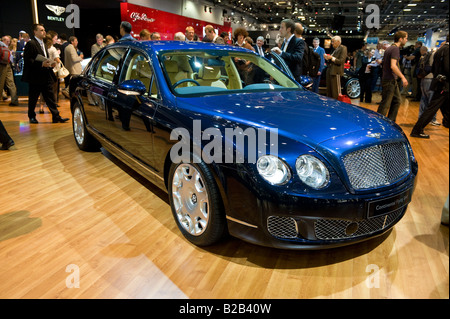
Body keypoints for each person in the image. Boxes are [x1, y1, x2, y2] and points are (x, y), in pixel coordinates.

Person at [21, 23, 69, 124]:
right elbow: (28, 60)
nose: (44, 32)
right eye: (41, 30)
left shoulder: (43, 44)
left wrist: (50, 63)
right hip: (35, 77)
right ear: (35, 31)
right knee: (33, 98)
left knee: (50, 97)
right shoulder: (31, 43)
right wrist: (42, 64)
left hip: (45, 75)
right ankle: (32, 116)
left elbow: (44, 58)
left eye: (44, 30)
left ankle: (56, 116)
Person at [410, 35, 449, 138]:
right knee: (431, 108)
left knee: (445, 108)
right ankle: (417, 130)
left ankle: (447, 123)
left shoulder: (440, 50)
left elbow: (434, 68)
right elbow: (447, 68)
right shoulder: (447, 50)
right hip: (444, 85)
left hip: (439, 83)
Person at [376, 31, 409, 122]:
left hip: (390, 79)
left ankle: (390, 122)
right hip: (389, 80)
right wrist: (403, 77)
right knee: (385, 104)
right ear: (400, 39)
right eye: (406, 38)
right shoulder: (395, 49)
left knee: (397, 101)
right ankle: (379, 123)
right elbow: (393, 66)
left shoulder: (390, 48)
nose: (407, 40)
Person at [417, 46, 440, 126]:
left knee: (424, 99)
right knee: (432, 101)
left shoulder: (428, 54)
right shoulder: (435, 55)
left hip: (424, 78)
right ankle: (432, 119)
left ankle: (421, 118)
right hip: (430, 78)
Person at [0, 36, 19, 106]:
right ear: (4, 40)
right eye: (7, 41)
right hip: (8, 65)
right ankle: (14, 100)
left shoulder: (1, 46)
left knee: (1, 83)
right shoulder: (6, 47)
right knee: (11, 83)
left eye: (9, 41)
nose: (9, 42)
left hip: (2, 65)